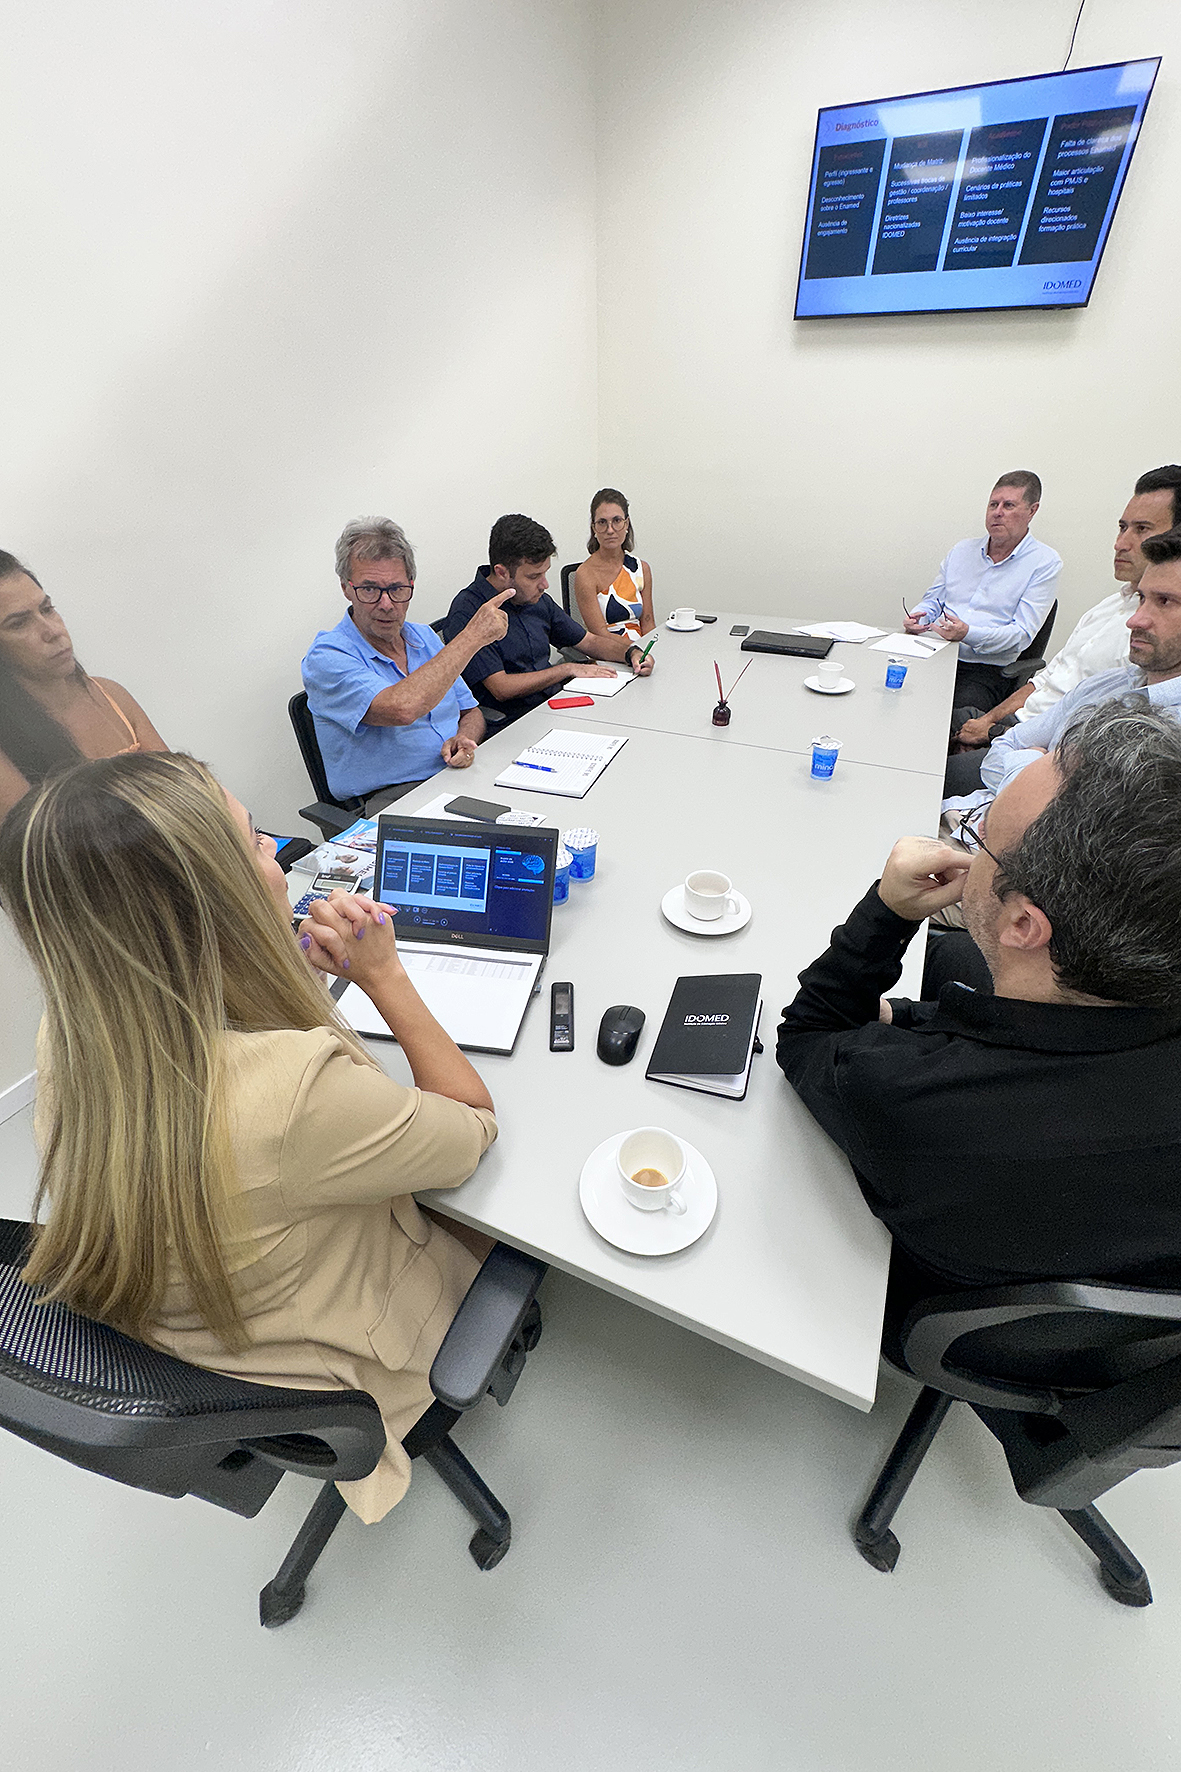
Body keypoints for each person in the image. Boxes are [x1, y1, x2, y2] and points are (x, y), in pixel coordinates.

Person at [0, 750, 499, 1525]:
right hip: (349, 1360)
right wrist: (384, 978)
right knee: (517, 1218)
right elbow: (470, 1126)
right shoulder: (298, 1092)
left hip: (210, 1347)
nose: (278, 854)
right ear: (217, 901)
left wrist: (284, 977)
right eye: (258, 842)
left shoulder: (69, 1041)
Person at [777, 700, 1181, 1308]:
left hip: (906, 1308)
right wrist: (908, 1017)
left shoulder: (907, 1095)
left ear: (1023, 924)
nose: (969, 844)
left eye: (981, 839)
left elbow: (808, 1033)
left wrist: (888, 910)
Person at [944, 466, 1181, 795]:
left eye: (1142, 530)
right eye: (1122, 527)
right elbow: (1046, 680)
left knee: (931, 775)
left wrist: (997, 736)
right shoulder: (1110, 606)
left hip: (1040, 748)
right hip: (1019, 727)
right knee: (927, 721)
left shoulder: (1152, 644)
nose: (1120, 543)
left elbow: (1083, 754)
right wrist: (989, 723)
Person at [302, 517, 514, 805]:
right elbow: (402, 709)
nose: (386, 604)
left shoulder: (424, 637)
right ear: (346, 588)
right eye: (369, 589)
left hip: (456, 777)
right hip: (394, 796)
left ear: (411, 585)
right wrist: (472, 636)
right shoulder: (326, 657)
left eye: (397, 589)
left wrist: (464, 739)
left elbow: (471, 712)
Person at [442, 514, 655, 726]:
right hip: (512, 723)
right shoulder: (470, 611)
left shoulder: (535, 599)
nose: (544, 584)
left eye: (545, 573)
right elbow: (501, 688)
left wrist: (631, 654)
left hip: (554, 705)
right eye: (534, 576)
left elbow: (588, 641)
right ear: (502, 573)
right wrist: (565, 669)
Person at [0, 550, 166, 821]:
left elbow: (187, 794)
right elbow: (40, 844)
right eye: (19, 624)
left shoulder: (110, 694)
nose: (52, 631)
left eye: (47, 609)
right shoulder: (6, 747)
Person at [904, 472, 1062, 722]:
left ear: (1032, 510)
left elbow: (1021, 635)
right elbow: (934, 600)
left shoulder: (1044, 563)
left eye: (1008, 505)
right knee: (895, 694)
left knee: (946, 719)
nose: (997, 513)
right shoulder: (962, 551)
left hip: (987, 669)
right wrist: (919, 617)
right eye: (993, 504)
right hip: (937, 652)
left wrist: (967, 633)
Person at [572, 488, 655, 644]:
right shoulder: (585, 574)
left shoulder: (641, 569)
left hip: (642, 651)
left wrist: (652, 649)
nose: (610, 530)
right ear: (594, 528)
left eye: (617, 520)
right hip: (606, 651)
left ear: (626, 524)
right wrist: (635, 650)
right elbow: (599, 634)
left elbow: (648, 623)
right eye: (602, 522)